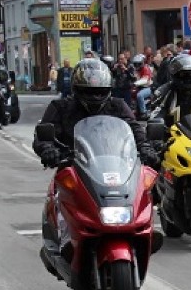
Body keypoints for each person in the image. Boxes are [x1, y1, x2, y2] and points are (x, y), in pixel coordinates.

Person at [32, 59, 160, 254]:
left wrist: (145, 148)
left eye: (100, 91)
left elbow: (135, 130)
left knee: (141, 187)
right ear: (76, 88)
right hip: (73, 165)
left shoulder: (118, 106)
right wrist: (48, 149)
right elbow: (43, 134)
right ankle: (65, 241)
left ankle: (144, 230)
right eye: (89, 91)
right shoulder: (61, 107)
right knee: (60, 195)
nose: (95, 95)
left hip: (115, 166)